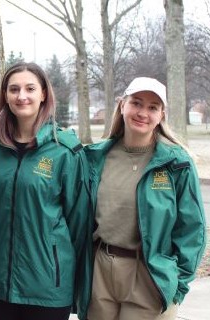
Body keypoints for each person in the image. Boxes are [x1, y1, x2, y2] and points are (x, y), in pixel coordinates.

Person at [80, 77, 207, 320]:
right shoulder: (94, 158)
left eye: (152, 107)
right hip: (100, 271)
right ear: (122, 105)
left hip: (149, 274)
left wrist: (176, 283)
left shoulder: (176, 164)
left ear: (161, 115)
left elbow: (193, 229)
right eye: (136, 103)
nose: (142, 113)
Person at [0, 62, 90, 320]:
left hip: (48, 285)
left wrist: (73, 279)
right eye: (14, 89)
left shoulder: (65, 150)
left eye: (30, 88)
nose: (22, 96)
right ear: (5, 96)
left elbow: (80, 223)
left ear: (43, 94)